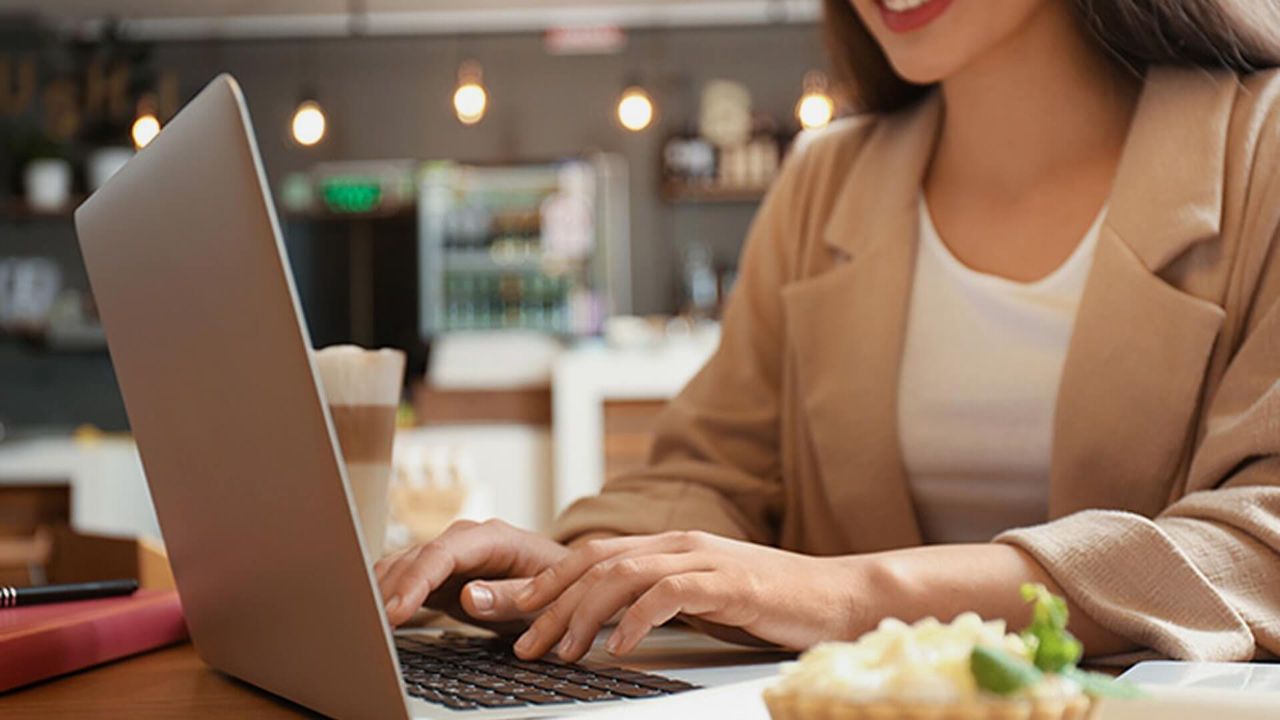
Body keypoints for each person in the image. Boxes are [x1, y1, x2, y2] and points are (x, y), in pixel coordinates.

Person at [377, 0, 1280, 664]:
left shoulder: (1262, 154)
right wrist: (573, 577)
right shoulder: (827, 181)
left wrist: (855, 596)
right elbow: (707, 475)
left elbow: (1260, 545)